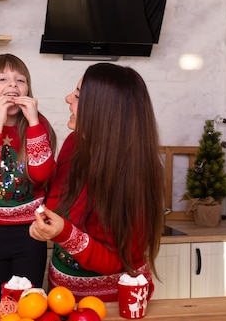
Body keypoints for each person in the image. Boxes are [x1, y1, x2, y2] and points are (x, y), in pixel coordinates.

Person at [29, 62, 165, 302]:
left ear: (103, 110)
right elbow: (57, 203)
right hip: (62, 297)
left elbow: (115, 261)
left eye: (79, 95)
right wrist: (46, 222)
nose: (67, 98)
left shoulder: (133, 174)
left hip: (116, 305)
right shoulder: (74, 143)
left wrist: (63, 232)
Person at [0, 54, 56, 306]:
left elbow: (41, 175)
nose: (13, 85)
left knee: (30, 304)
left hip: (31, 231)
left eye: (20, 80)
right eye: (2, 79)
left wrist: (35, 122)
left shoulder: (40, 125)